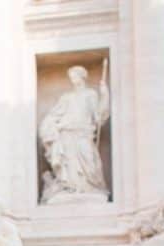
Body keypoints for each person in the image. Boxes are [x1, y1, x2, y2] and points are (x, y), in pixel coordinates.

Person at [38, 65, 110, 204]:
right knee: (69, 162)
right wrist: (50, 126)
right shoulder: (66, 97)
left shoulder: (91, 94)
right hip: (66, 133)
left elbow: (98, 116)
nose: (72, 79)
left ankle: (88, 187)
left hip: (84, 132)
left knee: (88, 159)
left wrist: (105, 94)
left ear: (82, 76)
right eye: (71, 77)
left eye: (75, 76)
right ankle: (71, 187)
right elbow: (54, 114)